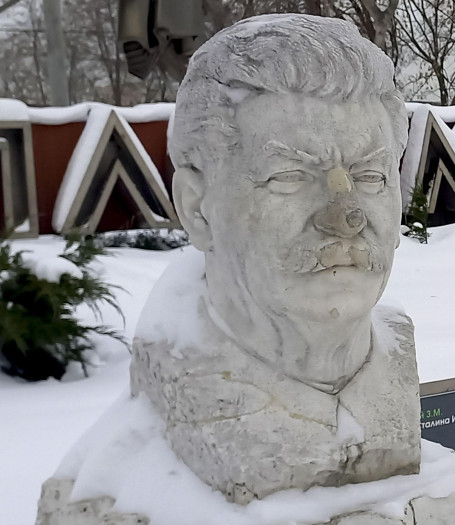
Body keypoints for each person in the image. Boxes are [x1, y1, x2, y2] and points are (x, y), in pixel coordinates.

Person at [131, 14, 420, 504]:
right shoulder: (123, 485)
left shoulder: (396, 359)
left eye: (370, 178)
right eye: (289, 176)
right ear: (198, 208)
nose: (345, 217)